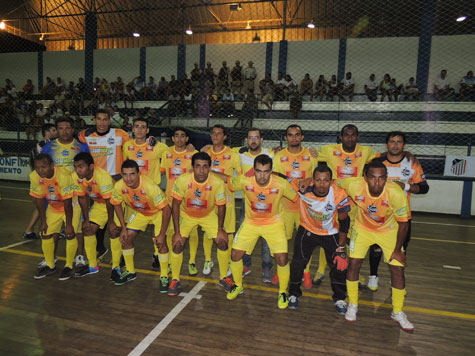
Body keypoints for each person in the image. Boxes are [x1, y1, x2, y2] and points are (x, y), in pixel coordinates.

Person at [338, 161, 414, 332]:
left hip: (388, 231)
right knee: (354, 264)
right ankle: (353, 305)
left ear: (386, 178)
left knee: (398, 269)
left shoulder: (395, 193)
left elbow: (404, 224)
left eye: (381, 178)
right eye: (372, 178)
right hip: (362, 229)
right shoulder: (354, 185)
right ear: (365, 177)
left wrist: (397, 250)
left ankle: (398, 311)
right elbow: (335, 182)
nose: (377, 183)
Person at [224, 154, 297, 309]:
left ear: (271, 171)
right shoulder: (245, 180)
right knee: (235, 254)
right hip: (251, 223)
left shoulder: (281, 184)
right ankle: (238, 285)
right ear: (254, 170)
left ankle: (283, 292)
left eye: (266, 171)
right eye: (258, 171)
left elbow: (296, 196)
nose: (262, 175)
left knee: (282, 258)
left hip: (274, 224)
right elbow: (228, 182)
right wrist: (209, 171)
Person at [367, 132, 429, 290]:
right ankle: (373, 276)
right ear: (386, 144)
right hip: (379, 214)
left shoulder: (411, 162)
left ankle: (395, 279)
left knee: (401, 249)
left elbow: (424, 187)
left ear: (404, 145)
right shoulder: (377, 161)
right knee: (375, 248)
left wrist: (406, 186)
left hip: (402, 215)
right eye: (392, 142)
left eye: (399, 142)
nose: (395, 145)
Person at [288, 163, 350, 314]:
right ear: (312, 180)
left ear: (331, 181)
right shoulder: (303, 187)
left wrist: (341, 248)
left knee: (338, 267)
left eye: (326, 180)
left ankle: (340, 298)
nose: (322, 184)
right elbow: (282, 177)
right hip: (308, 229)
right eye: (318, 180)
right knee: (298, 263)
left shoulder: (339, 194)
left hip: (330, 233)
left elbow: (344, 221)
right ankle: (293, 294)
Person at [169, 152, 232, 295]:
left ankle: (223, 277)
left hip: (207, 215)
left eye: (205, 167)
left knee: (222, 241)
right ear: (192, 167)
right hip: (187, 215)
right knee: (177, 244)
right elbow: (175, 205)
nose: (201, 170)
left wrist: (221, 228)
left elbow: (221, 206)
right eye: (198, 166)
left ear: (210, 167)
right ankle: (175, 279)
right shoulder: (183, 180)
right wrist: (177, 232)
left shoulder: (216, 182)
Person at [110, 160, 171, 288]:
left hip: (158, 212)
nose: (128, 178)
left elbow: (166, 210)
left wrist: (162, 234)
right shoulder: (119, 186)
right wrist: (123, 228)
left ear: (139, 173)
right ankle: (131, 271)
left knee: (160, 242)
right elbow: (116, 204)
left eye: (132, 174)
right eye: (125, 174)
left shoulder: (150, 186)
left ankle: (164, 275)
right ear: (121, 175)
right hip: (140, 212)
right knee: (126, 238)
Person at [79, 109, 130, 258]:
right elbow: (73, 139)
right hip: (94, 181)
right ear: (94, 120)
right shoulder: (86, 135)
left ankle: (119, 255)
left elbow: (134, 144)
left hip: (115, 178)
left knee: (117, 218)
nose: (102, 122)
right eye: (99, 119)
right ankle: (100, 247)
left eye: (105, 119)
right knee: (99, 215)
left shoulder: (120, 134)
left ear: (110, 121)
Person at [273, 125, 318, 287]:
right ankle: (281, 270)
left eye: (297, 135)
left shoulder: (311, 155)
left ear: (302, 137)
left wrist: (309, 180)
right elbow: (276, 179)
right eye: (290, 135)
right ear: (286, 138)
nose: (294, 138)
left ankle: (305, 273)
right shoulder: (278, 157)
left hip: (305, 208)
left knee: (304, 243)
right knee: (281, 242)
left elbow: (317, 177)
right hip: (284, 207)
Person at [41, 117, 90, 268]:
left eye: (67, 128)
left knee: (78, 227)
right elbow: (43, 168)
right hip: (55, 194)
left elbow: (88, 169)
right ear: (56, 130)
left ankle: (80, 255)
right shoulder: (49, 147)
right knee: (53, 227)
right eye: (61, 128)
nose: (64, 131)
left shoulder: (81, 147)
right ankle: (52, 257)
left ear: (72, 130)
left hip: (75, 194)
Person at [123, 117, 169, 269]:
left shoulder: (158, 146)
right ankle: (126, 256)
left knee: (155, 227)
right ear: (133, 129)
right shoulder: (127, 146)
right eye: (137, 126)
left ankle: (157, 254)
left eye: (143, 127)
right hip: (133, 194)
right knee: (130, 225)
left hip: (152, 193)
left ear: (148, 130)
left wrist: (189, 148)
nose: (140, 129)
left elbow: (175, 153)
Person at [72, 152, 123, 281]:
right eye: (76, 166)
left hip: (116, 204)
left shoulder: (102, 176)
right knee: (87, 229)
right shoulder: (75, 177)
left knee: (114, 232)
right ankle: (93, 266)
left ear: (91, 166)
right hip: (100, 205)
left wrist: (111, 222)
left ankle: (116, 267)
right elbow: (82, 198)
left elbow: (109, 201)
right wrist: (86, 220)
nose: (78, 170)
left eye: (81, 166)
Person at [29, 154, 81, 280]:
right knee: (45, 233)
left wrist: (68, 225)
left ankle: (68, 266)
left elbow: (68, 202)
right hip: (53, 207)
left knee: (70, 234)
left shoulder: (63, 175)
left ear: (52, 166)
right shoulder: (34, 176)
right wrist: (43, 222)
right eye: (37, 167)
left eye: (43, 167)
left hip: (71, 206)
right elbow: (39, 200)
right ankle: (50, 265)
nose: (40, 170)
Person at [160, 127, 200, 276]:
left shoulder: (193, 154)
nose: (179, 138)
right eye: (176, 136)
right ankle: (171, 262)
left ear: (187, 139)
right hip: (170, 197)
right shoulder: (167, 153)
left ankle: (192, 261)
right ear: (172, 138)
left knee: (192, 231)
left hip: (189, 198)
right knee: (171, 230)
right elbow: (162, 171)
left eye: (183, 136)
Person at [206, 125, 241, 276]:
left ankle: (227, 262)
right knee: (208, 231)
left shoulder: (232, 154)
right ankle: (208, 259)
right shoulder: (206, 153)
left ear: (224, 137)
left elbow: (239, 178)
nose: (215, 136)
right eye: (213, 133)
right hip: (208, 198)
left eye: (219, 133)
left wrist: (221, 177)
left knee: (228, 231)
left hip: (226, 199)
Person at [24, 124, 58, 240]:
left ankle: (30, 230)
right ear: (47, 132)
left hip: (38, 178)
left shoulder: (38, 145)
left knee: (41, 206)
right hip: (43, 180)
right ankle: (44, 231)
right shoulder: (46, 145)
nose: (56, 131)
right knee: (45, 206)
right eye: (54, 130)